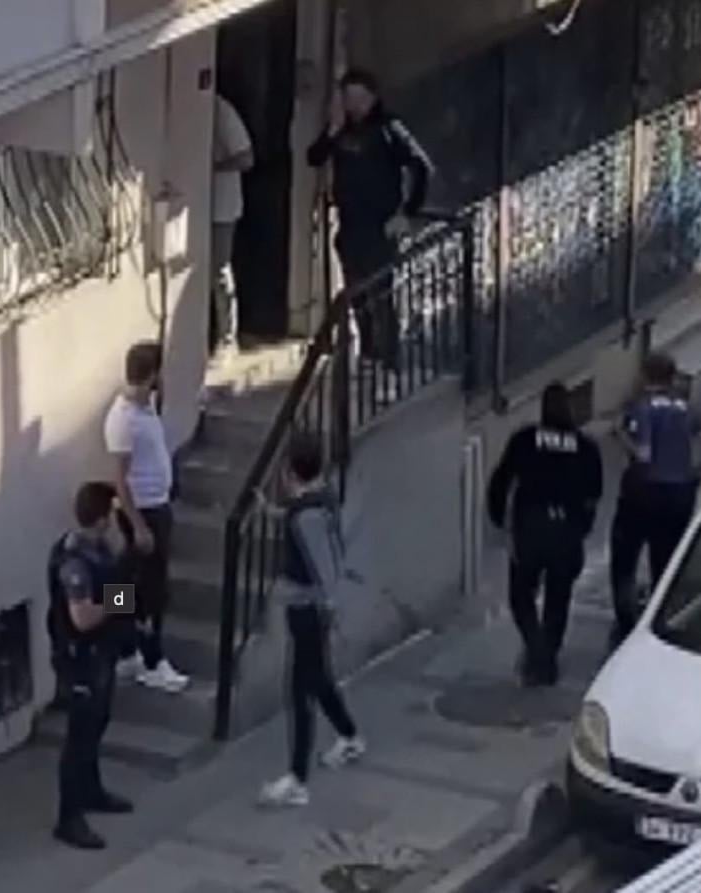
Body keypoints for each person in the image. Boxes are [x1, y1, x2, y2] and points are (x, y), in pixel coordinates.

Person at [256, 433, 366, 809]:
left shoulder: (306, 516)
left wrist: (325, 604)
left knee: (301, 688)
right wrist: (274, 512)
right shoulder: (321, 500)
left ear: (290, 471)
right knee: (316, 680)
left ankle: (297, 778)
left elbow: (320, 560)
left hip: (308, 610)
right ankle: (348, 736)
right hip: (311, 609)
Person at [307, 68, 432, 369]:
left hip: (380, 226)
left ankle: (389, 360)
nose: (354, 106)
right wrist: (332, 131)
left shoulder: (389, 128)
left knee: (381, 295)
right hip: (350, 225)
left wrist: (407, 212)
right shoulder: (341, 131)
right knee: (357, 294)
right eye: (348, 98)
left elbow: (421, 167)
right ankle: (368, 353)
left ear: (372, 98)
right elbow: (314, 157)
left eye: (359, 98)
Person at [487, 383, 604, 687]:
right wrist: (582, 528)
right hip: (567, 531)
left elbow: (501, 480)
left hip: (530, 528)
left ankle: (537, 650)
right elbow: (594, 494)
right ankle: (547, 655)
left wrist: (498, 518)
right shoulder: (586, 447)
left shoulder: (525, 440)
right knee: (558, 597)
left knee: (520, 596)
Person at [48, 482, 135, 850]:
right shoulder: (75, 562)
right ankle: (69, 818)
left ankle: (91, 790)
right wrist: (122, 601)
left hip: (101, 653)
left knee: (98, 722)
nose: (114, 521)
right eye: (111, 514)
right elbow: (82, 617)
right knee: (79, 737)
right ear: (100, 519)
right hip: (80, 658)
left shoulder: (98, 550)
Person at [609, 352, 701, 643]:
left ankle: (626, 624)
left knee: (625, 558)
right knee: (665, 561)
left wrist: (621, 434)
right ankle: (659, 615)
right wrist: (698, 470)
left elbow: (644, 454)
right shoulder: (687, 409)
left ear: (645, 375)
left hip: (645, 494)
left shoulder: (642, 408)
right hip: (679, 496)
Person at [104, 341, 190, 693]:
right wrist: (139, 526)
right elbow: (120, 479)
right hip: (144, 511)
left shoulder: (145, 407)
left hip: (156, 505)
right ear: (152, 375)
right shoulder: (124, 420)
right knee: (151, 590)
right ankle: (152, 660)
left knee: (131, 583)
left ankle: (127, 646)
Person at [210, 92, 254, 362]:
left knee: (219, 270)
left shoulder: (222, 112)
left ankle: (227, 337)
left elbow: (246, 158)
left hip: (222, 206)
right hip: (197, 205)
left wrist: (213, 167)